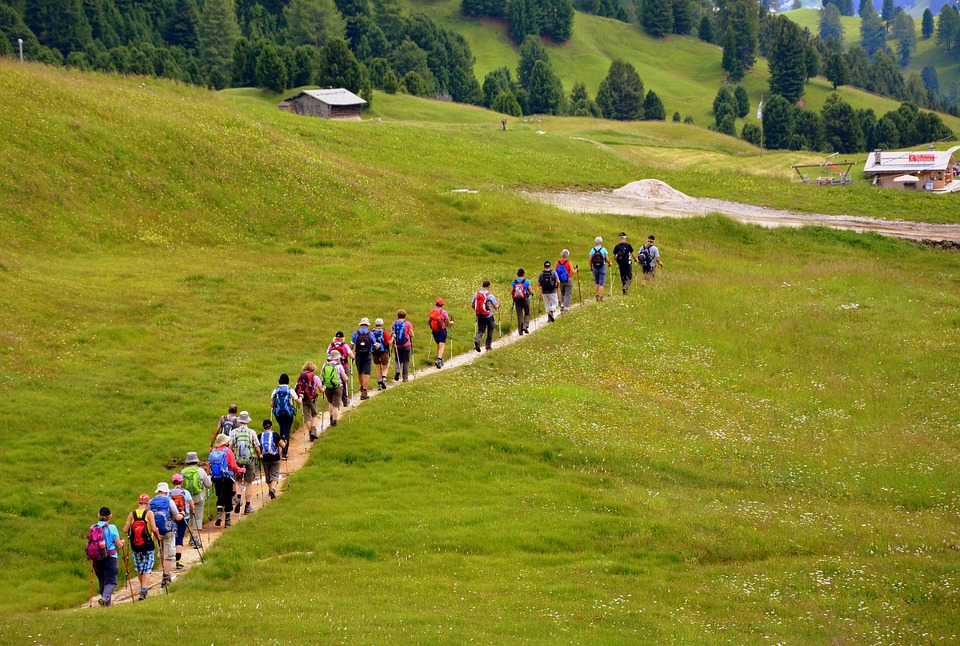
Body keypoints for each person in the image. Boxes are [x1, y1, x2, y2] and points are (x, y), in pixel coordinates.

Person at [122, 494, 160, 601]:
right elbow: (153, 528)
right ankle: (144, 590)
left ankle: (142, 587)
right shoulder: (149, 513)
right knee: (147, 568)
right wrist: (158, 537)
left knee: (139, 567)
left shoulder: (132, 514)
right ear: (148, 504)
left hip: (136, 545)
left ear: (138, 503)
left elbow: (125, 530)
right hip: (148, 545)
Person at [149, 482, 184, 590]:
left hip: (156, 531)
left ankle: (164, 574)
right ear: (166, 491)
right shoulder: (169, 501)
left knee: (162, 552)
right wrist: (182, 514)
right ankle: (165, 575)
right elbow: (177, 517)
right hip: (169, 530)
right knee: (168, 554)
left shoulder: (151, 502)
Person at [208, 434, 245, 528]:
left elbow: (209, 465)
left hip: (216, 478)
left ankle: (219, 514)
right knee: (228, 497)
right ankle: (227, 521)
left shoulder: (213, 452)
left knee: (220, 496)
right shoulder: (228, 451)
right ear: (225, 442)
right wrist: (241, 470)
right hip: (227, 477)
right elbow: (233, 465)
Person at [90, 506, 124, 606]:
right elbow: (118, 544)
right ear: (110, 516)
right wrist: (122, 542)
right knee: (111, 582)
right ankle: (104, 598)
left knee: (102, 580)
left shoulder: (93, 528)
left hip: (96, 558)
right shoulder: (112, 528)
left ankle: (106, 605)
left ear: (98, 515)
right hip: (110, 558)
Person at [229, 411, 262, 516]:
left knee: (238, 481)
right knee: (248, 483)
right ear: (247, 421)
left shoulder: (234, 432)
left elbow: (230, 447)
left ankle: (238, 497)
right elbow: (257, 447)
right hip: (249, 459)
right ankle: (247, 506)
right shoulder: (251, 432)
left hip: (237, 460)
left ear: (239, 421)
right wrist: (259, 455)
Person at [180, 452, 212, 542]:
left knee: (190, 517)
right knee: (198, 517)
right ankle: (196, 538)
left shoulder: (183, 471)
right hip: (199, 497)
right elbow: (208, 484)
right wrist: (208, 477)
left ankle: (191, 537)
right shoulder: (200, 470)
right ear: (196, 460)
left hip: (186, 498)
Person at [270, 374, 300, 460]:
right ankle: (284, 452)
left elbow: (271, 404)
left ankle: (280, 446)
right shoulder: (290, 390)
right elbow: (298, 402)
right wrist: (301, 397)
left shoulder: (275, 390)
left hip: (278, 414)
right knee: (287, 431)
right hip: (288, 414)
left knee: (282, 429)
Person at [168, 474, 194, 569]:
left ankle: (168, 559)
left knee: (171, 537)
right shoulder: (185, 492)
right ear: (182, 482)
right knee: (180, 537)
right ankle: (178, 561)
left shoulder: (169, 493)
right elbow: (192, 505)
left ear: (172, 482)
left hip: (172, 518)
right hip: (183, 517)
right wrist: (191, 510)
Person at [320, 350, 349, 427]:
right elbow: (344, 378)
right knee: (336, 405)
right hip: (337, 387)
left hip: (327, 387)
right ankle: (334, 421)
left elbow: (321, 376)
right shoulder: (339, 366)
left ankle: (330, 417)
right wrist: (346, 378)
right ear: (337, 358)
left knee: (330, 403)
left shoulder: (325, 365)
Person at [259, 419, 286, 499]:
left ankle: (270, 489)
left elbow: (257, 447)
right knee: (274, 474)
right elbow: (283, 445)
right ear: (271, 426)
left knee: (267, 475)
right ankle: (273, 489)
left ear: (263, 427)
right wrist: (285, 442)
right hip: (275, 458)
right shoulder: (275, 434)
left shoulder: (260, 435)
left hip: (264, 458)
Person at [296, 362, 322, 440]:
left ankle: (310, 433)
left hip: (303, 399)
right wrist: (324, 388)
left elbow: (296, 387)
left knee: (307, 418)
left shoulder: (300, 377)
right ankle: (313, 431)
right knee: (314, 414)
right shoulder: (315, 377)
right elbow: (321, 389)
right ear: (313, 368)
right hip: (312, 399)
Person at [327, 332, 355, 406]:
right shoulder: (344, 345)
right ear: (343, 338)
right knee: (344, 383)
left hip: (333, 367)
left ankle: (335, 401)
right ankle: (345, 401)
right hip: (343, 366)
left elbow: (327, 355)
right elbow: (352, 356)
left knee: (335, 382)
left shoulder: (331, 345)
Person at [472, 280, 499, 352]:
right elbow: (496, 307)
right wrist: (499, 303)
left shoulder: (476, 294)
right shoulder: (489, 295)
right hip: (489, 316)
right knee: (490, 329)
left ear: (482, 285)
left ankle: (477, 340)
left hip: (480, 316)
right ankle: (488, 346)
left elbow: (472, 305)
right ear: (489, 286)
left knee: (481, 330)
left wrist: (478, 310)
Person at [351, 318, 374, 398]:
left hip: (358, 355)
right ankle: (364, 391)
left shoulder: (356, 333)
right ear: (367, 325)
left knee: (360, 372)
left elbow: (352, 344)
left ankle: (362, 387)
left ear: (361, 324)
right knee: (367, 373)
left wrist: (351, 352)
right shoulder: (370, 334)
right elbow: (375, 344)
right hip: (368, 354)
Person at [427, 299, 452, 368]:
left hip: (434, 331)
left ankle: (440, 361)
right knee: (442, 346)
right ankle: (439, 360)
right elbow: (448, 323)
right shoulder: (444, 312)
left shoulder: (432, 312)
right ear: (442, 305)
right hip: (442, 331)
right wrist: (452, 322)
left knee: (438, 345)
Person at [391, 310, 414, 382]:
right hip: (406, 345)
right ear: (405, 316)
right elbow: (412, 335)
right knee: (406, 361)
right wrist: (409, 335)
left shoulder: (393, 324)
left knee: (398, 360)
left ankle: (397, 371)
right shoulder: (408, 324)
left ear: (398, 315)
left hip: (397, 345)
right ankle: (405, 378)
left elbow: (391, 334)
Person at [588, 236, 612, 301]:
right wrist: (610, 263)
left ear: (595, 242)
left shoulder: (593, 250)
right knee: (601, 282)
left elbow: (590, 260)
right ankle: (601, 296)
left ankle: (597, 295)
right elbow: (607, 259)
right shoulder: (603, 249)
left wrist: (591, 267)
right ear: (601, 242)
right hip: (602, 266)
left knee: (597, 282)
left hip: (595, 267)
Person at [371, 318, 391, 391]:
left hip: (374, 351)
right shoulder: (384, 332)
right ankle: (384, 379)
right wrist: (392, 338)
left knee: (378, 367)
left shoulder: (372, 332)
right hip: (384, 351)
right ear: (382, 324)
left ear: (375, 324)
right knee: (385, 366)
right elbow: (389, 342)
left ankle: (379, 383)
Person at [510, 269, 531, 336]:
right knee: (527, 313)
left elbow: (511, 292)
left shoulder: (514, 282)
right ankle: (525, 326)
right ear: (523, 274)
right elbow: (531, 291)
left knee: (519, 315)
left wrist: (513, 297)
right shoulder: (526, 281)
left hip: (517, 300)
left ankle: (520, 331)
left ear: (517, 274)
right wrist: (532, 293)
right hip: (525, 299)